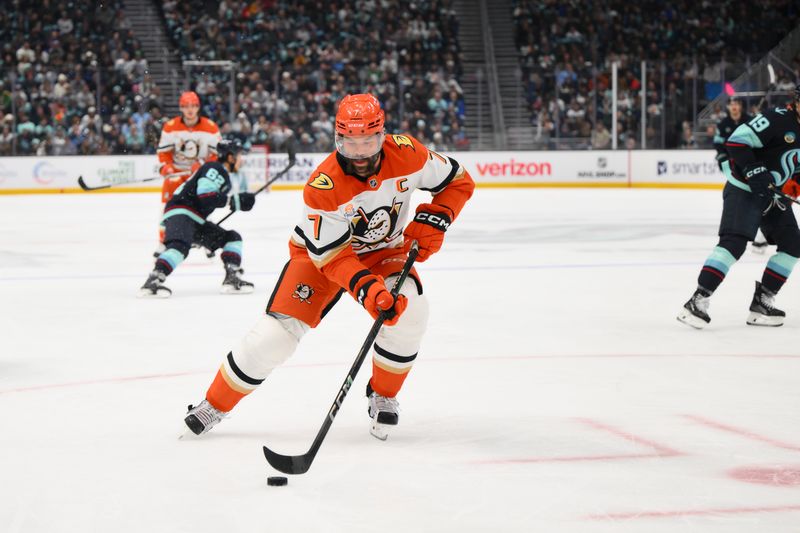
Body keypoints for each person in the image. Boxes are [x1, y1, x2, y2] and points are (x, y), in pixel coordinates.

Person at [183, 94, 475, 440]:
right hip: (319, 257)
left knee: (411, 311)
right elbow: (333, 257)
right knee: (273, 337)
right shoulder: (323, 186)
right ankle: (215, 403)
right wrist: (368, 289)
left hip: (384, 252)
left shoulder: (408, 152)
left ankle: (383, 395)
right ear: (338, 140)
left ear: (382, 136)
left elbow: (458, 180)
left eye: (368, 142)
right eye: (351, 144)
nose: (361, 153)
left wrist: (437, 217)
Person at [677, 85, 800, 329]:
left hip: (774, 195)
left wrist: (794, 185)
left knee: (793, 244)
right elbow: (737, 142)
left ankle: (762, 302)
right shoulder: (777, 119)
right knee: (734, 243)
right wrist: (756, 171)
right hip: (744, 189)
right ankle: (697, 300)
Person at [139, 139, 256, 298]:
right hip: (182, 212)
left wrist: (233, 201)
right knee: (179, 247)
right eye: (240, 155)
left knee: (232, 238)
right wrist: (232, 201)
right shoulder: (216, 168)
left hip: (193, 218)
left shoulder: (219, 173)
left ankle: (232, 278)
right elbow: (206, 195)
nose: (241, 160)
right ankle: (153, 281)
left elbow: (205, 198)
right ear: (230, 157)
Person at [155, 91, 222, 253]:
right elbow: (164, 153)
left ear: (198, 107)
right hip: (177, 173)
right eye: (186, 106)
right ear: (181, 108)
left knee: (203, 206)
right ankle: (164, 241)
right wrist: (167, 166)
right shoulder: (171, 127)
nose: (190, 110)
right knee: (170, 206)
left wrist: (202, 164)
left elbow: (217, 154)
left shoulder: (211, 128)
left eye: (193, 106)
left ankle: (207, 240)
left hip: (200, 175)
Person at [713, 98, 769, 252]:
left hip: (749, 166)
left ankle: (761, 235)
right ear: (729, 107)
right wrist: (723, 158)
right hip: (735, 171)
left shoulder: (749, 121)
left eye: (737, 104)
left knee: (756, 198)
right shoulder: (723, 124)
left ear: (741, 106)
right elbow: (718, 145)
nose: (734, 107)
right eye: (732, 104)